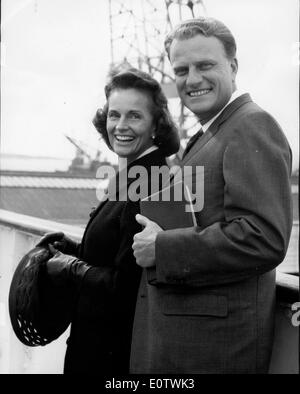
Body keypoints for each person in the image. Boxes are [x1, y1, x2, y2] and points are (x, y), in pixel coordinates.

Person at [131, 17, 293, 374]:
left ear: (233, 67)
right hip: (191, 341)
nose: (193, 79)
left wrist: (163, 247)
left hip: (214, 350)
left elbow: (263, 238)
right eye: (182, 69)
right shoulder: (213, 132)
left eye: (205, 65)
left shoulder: (251, 126)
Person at [37, 68, 180, 374]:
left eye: (134, 116)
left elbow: (125, 288)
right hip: (100, 347)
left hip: (112, 357)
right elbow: (119, 253)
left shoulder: (150, 180)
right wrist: (71, 248)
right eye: (114, 115)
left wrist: (69, 267)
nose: (121, 126)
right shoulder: (136, 173)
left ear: (157, 124)